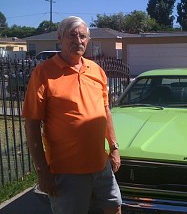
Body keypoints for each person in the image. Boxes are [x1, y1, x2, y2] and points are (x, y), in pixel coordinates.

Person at [22, 16, 122, 214]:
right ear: (60, 38)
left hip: (101, 165)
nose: (78, 40)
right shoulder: (43, 73)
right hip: (66, 170)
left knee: (114, 208)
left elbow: (105, 111)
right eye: (72, 35)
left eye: (83, 36)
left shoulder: (97, 70)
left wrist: (114, 147)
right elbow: (32, 124)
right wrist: (42, 172)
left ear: (88, 40)